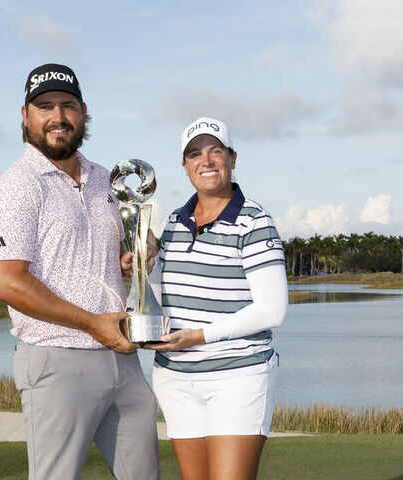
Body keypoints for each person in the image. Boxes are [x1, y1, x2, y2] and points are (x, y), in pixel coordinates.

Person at [0, 63, 159, 480]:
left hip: (122, 357)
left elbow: (108, 256)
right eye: (45, 106)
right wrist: (91, 323)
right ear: (25, 115)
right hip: (57, 359)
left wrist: (136, 252)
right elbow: (7, 281)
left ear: (83, 113)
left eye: (68, 105)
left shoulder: (106, 180)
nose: (57, 117)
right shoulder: (17, 184)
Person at [147, 117, 288, 480]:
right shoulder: (175, 221)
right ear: (185, 166)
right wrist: (145, 262)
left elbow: (272, 309)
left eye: (215, 151)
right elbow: (165, 291)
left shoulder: (255, 221)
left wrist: (200, 335)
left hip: (238, 375)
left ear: (232, 158)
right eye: (195, 154)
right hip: (176, 377)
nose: (206, 161)